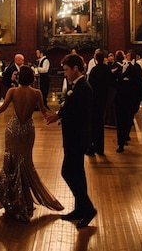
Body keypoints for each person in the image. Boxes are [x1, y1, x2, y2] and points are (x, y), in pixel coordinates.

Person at [0, 66, 64, 222]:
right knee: (25, 162)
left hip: (13, 129)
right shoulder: (36, 93)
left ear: (18, 78)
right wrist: (58, 114)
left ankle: (10, 199)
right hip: (27, 130)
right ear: (32, 78)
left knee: (10, 160)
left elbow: (2, 109)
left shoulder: (12, 92)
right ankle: (23, 199)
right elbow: (45, 111)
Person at [46, 54, 97, 229]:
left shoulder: (83, 87)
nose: (65, 73)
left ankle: (88, 209)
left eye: (67, 70)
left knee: (67, 172)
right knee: (78, 173)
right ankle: (80, 209)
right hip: (73, 136)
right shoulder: (76, 86)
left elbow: (76, 112)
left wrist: (58, 115)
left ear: (76, 68)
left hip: (78, 137)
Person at [114, 49, 142, 152]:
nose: (126, 56)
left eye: (128, 55)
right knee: (120, 121)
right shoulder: (120, 66)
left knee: (128, 119)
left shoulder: (136, 68)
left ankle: (125, 136)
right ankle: (121, 142)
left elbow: (139, 84)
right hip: (120, 98)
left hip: (130, 98)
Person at [86, 50, 112, 156]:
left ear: (96, 59)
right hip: (104, 99)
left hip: (94, 100)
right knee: (100, 123)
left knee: (93, 124)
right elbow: (111, 83)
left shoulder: (94, 70)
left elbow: (90, 85)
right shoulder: (107, 70)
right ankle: (100, 149)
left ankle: (92, 147)